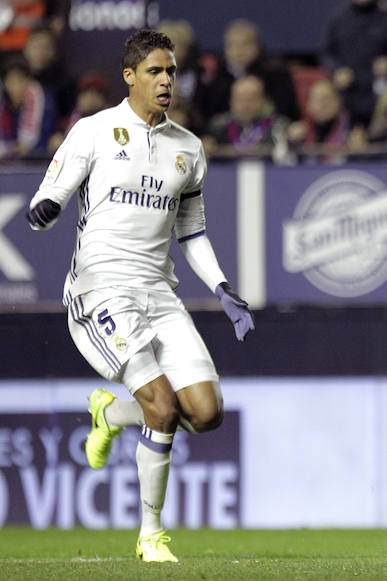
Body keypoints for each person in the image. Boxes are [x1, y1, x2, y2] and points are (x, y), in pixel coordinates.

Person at [24, 29, 255, 562]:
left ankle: (109, 417)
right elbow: (49, 195)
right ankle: (151, 534)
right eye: (155, 71)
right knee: (160, 402)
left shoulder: (189, 149)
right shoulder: (95, 131)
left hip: (159, 293)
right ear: (129, 76)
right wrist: (47, 210)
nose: (166, 80)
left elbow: (192, 233)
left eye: (171, 71)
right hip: (101, 289)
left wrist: (221, 287)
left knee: (206, 411)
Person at [321, 0, 387, 128]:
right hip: (347, 97)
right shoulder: (339, 17)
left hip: (380, 99)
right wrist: (336, 71)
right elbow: (326, 53)